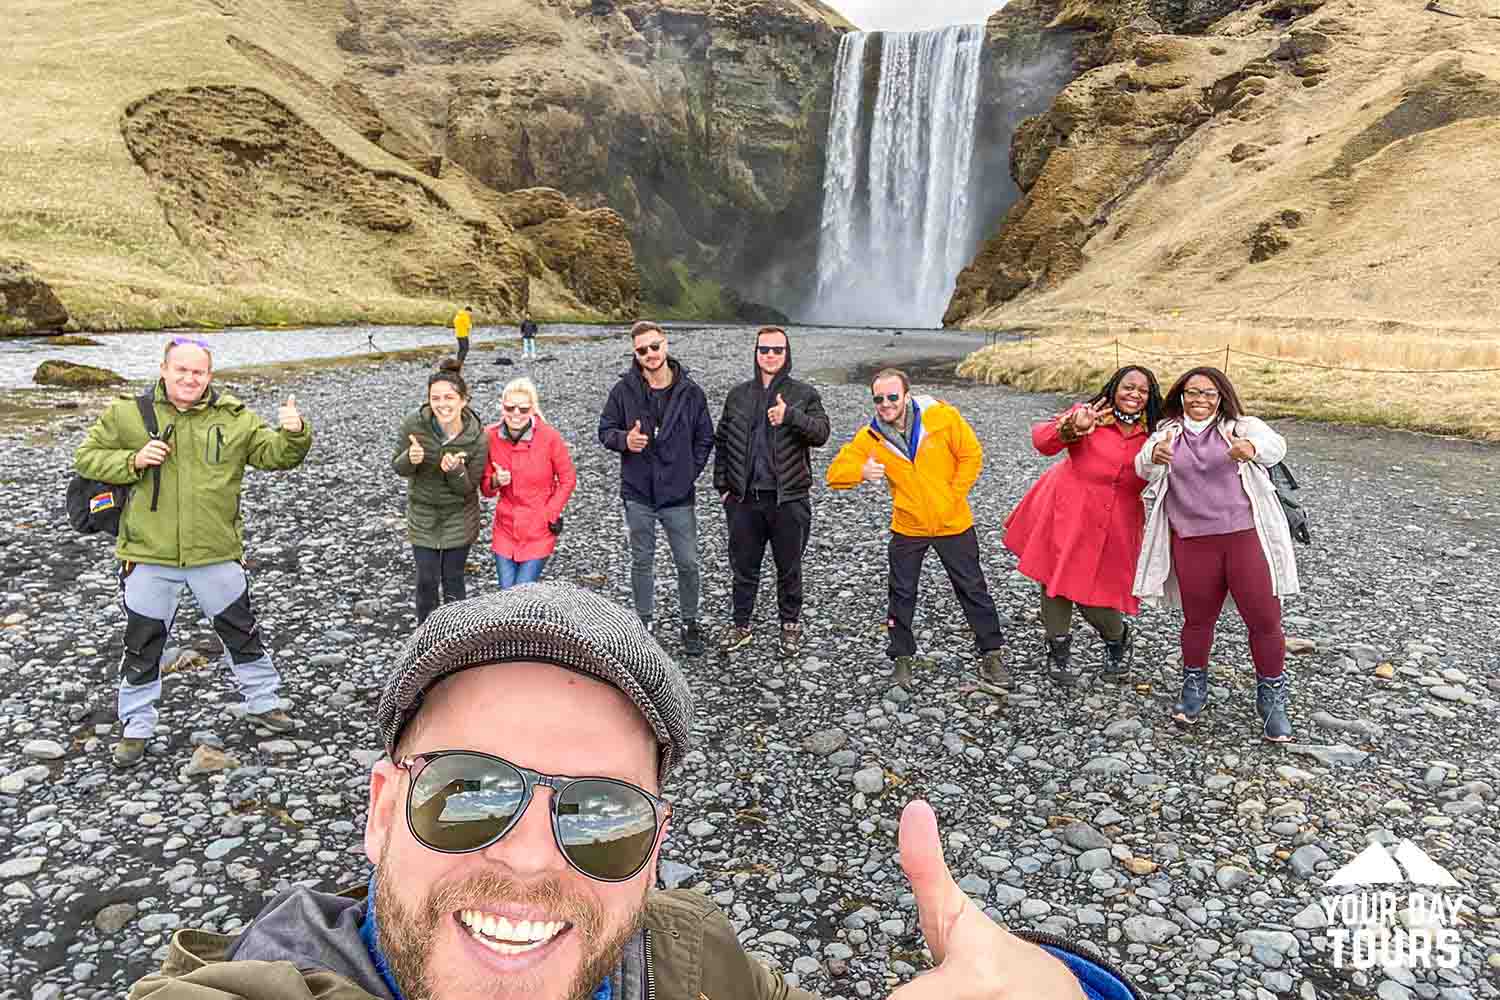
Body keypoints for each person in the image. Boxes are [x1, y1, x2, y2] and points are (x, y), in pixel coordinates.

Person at [124, 583, 1139, 1000]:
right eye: (469, 792)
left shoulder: (687, 955)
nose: (527, 857)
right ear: (383, 807)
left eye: (597, 814)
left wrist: (1070, 986)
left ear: (656, 845)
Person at [74, 336, 312, 769]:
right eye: (181, 370)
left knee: (241, 632)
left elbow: (276, 456)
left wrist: (294, 434)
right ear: (164, 370)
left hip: (216, 553)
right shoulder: (127, 414)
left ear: (209, 376)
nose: (189, 378)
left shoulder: (234, 417)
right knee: (143, 643)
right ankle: (137, 725)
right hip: (148, 556)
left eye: (198, 372)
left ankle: (264, 703)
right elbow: (87, 458)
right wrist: (132, 460)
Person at [1133, 366, 1300, 741]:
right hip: (1192, 540)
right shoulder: (1166, 434)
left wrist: (1252, 449)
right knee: (1197, 621)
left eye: (1208, 394)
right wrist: (1154, 458)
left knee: (1264, 619)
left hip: (1244, 538)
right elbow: (1142, 466)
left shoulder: (1241, 426)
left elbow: (1276, 446)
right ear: (1180, 396)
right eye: (1192, 393)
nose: (1199, 400)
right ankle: (1194, 688)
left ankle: (1272, 699)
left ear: (1221, 397)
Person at [826, 369, 1008, 692]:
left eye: (892, 397)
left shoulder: (941, 417)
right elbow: (834, 473)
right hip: (909, 526)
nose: (885, 404)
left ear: (907, 395)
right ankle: (902, 660)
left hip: (953, 522)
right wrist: (860, 470)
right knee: (901, 593)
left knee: (973, 588)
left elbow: (971, 455)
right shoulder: (871, 437)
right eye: (878, 399)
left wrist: (953, 496)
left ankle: (991, 654)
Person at [1003, 366, 1162, 686]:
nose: (1134, 394)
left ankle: (1117, 638)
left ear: (1150, 398)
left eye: (1142, 391)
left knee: (1095, 597)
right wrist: (1070, 429)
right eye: (1128, 387)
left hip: (1118, 522)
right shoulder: (1087, 415)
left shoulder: (1156, 435)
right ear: (1114, 389)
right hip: (1066, 511)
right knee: (1054, 583)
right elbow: (1042, 441)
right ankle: (1058, 654)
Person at [597, 320, 714, 655]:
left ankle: (690, 623)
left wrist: (689, 471)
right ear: (635, 353)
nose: (650, 354)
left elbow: (706, 437)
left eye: (654, 346)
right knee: (641, 560)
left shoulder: (691, 392)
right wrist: (625, 440)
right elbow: (605, 429)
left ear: (666, 344)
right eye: (642, 350)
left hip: (678, 495)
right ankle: (644, 623)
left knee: (688, 562)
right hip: (638, 493)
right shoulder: (623, 391)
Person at [712, 326, 831, 657]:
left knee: (789, 566)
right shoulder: (738, 395)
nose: (770, 355)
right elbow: (721, 442)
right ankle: (740, 625)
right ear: (755, 353)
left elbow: (822, 433)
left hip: (789, 499)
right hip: (744, 500)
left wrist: (790, 416)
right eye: (764, 349)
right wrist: (723, 487)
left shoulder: (803, 394)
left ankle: (789, 625)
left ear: (787, 354)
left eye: (777, 350)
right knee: (743, 567)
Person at [393, 358, 490, 624]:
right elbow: (398, 467)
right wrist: (409, 459)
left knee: (453, 580)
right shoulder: (413, 424)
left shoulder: (478, 437)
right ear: (428, 400)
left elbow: (468, 488)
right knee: (426, 580)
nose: (442, 404)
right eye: (435, 398)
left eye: (449, 397)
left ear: (463, 400)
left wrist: (456, 470)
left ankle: (455, 639)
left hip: (459, 516)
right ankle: (424, 637)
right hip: (422, 514)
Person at [480, 377, 576, 588]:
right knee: (506, 594)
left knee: (521, 594)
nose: (516, 413)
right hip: (504, 529)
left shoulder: (550, 437)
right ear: (502, 406)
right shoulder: (489, 436)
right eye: (510, 407)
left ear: (533, 409)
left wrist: (549, 513)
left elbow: (568, 479)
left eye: (523, 409)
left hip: (538, 530)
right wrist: (496, 480)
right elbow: (485, 489)